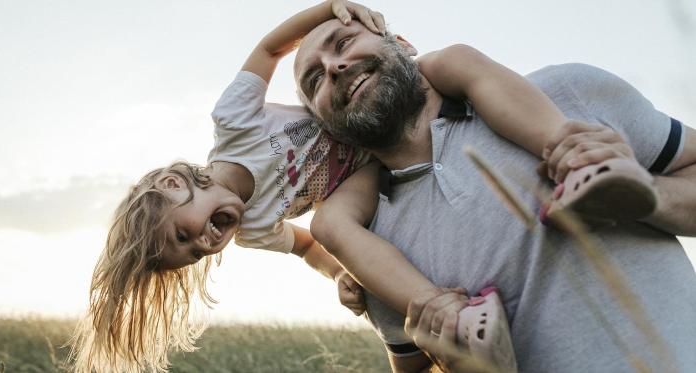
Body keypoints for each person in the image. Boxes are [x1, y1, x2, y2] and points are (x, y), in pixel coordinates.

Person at [294, 17, 696, 372]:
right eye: (315, 81)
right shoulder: (370, 251)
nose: (334, 67)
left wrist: (652, 196)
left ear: (401, 43)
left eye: (343, 43)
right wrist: (451, 362)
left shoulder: (567, 93)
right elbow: (416, 368)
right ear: (326, 126)